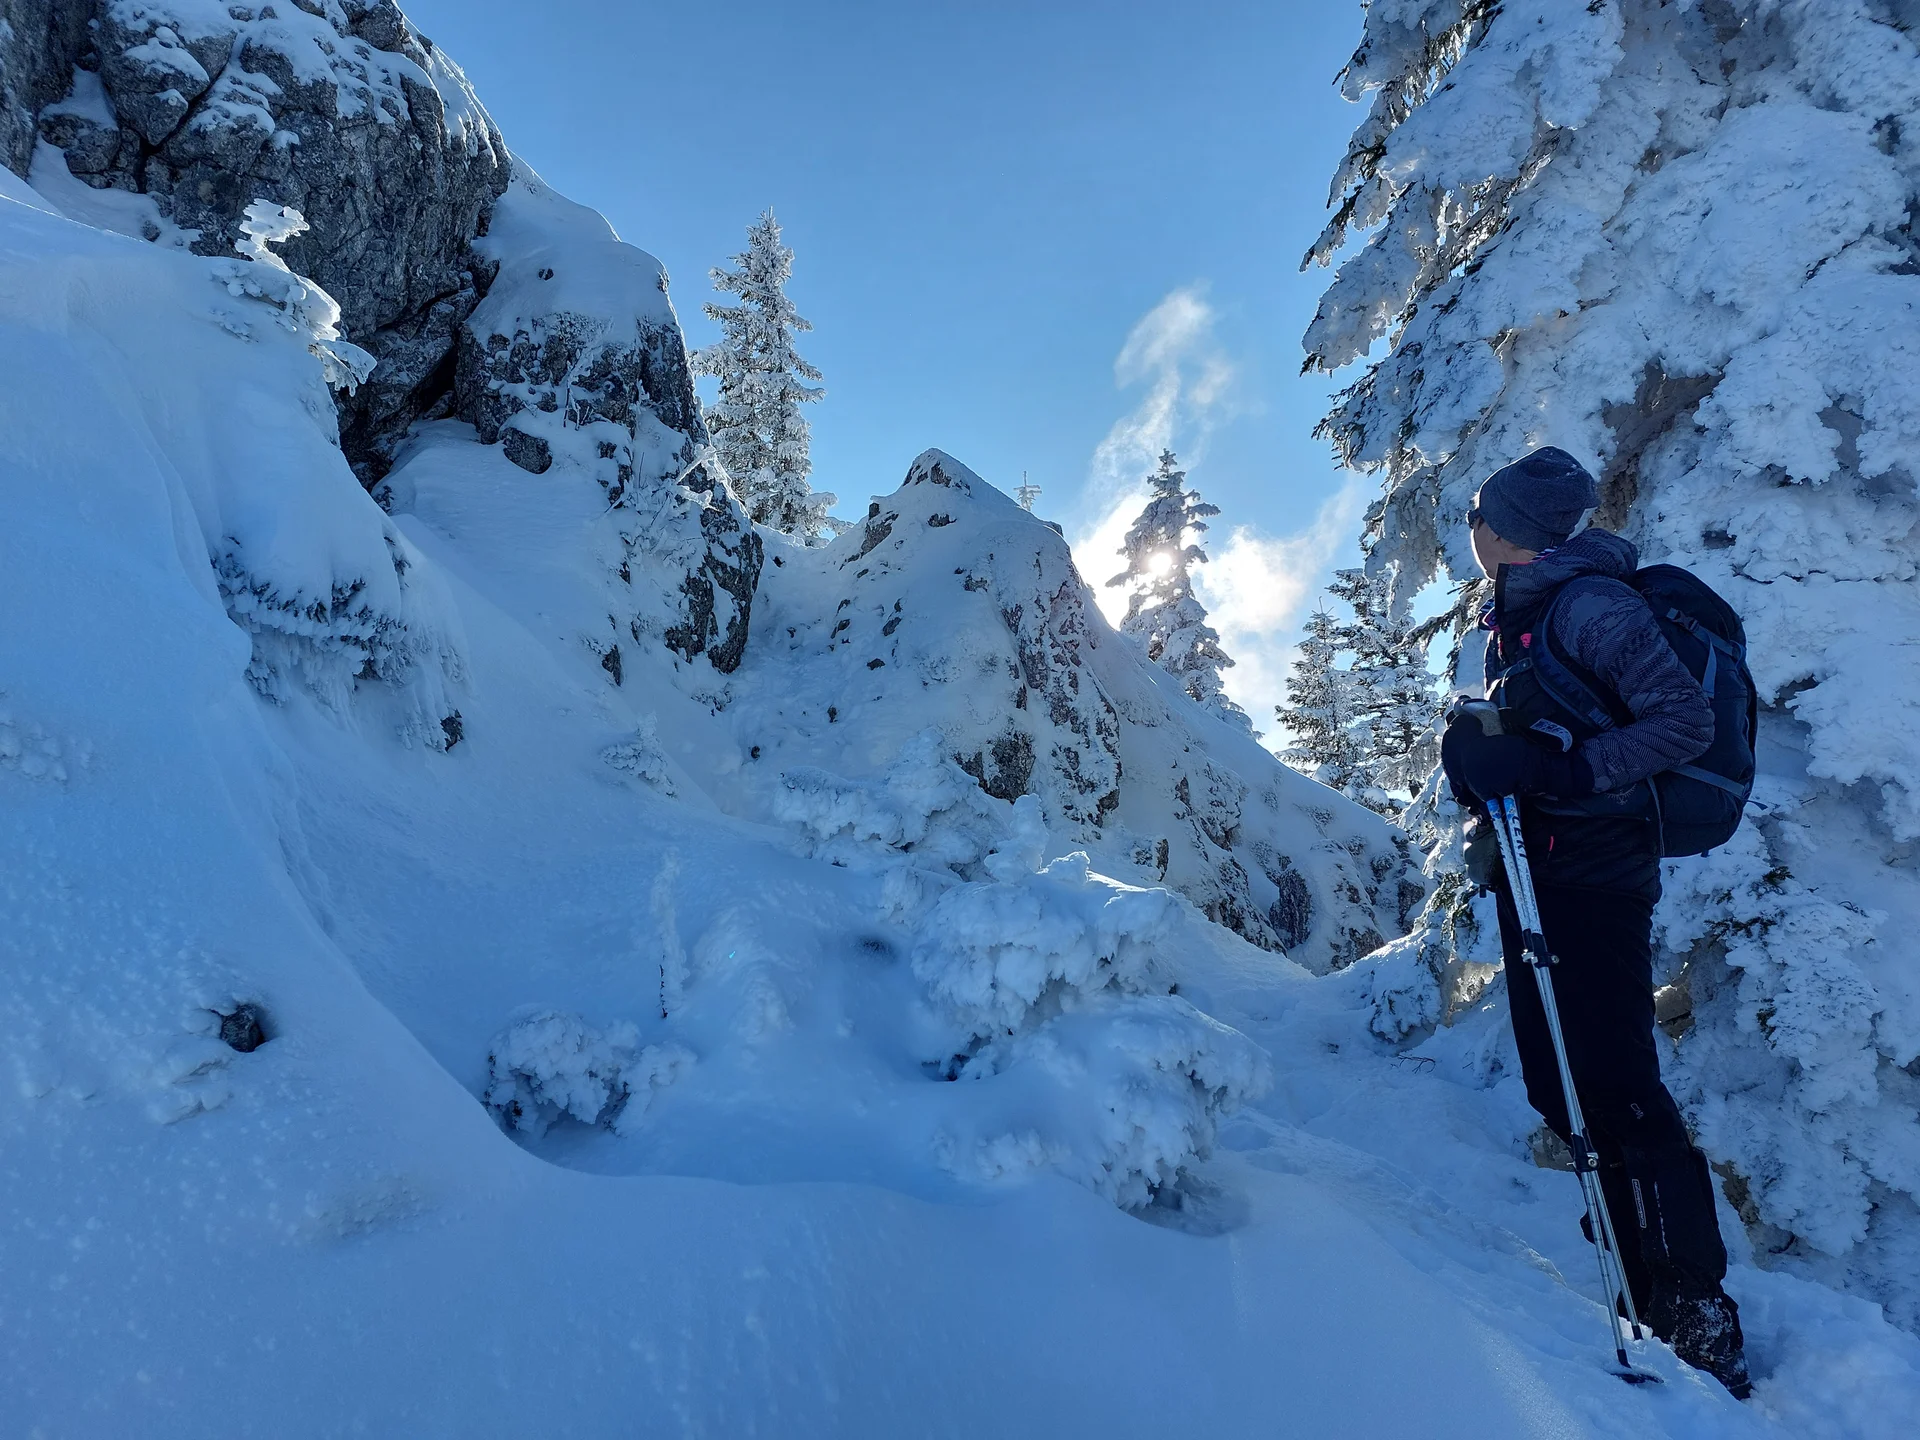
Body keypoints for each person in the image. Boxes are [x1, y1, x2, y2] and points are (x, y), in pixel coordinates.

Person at [1438, 446, 1752, 1399]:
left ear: (1511, 530)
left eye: (1480, 515)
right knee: (1559, 1082)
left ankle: (1693, 1305)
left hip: (1598, 878)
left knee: (1614, 1081)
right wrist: (1486, 759)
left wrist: (1553, 772)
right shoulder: (1520, 619)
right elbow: (1550, 735)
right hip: (1541, 870)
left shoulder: (1591, 607)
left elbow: (1681, 727)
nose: (1471, 529)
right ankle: (1632, 1265)